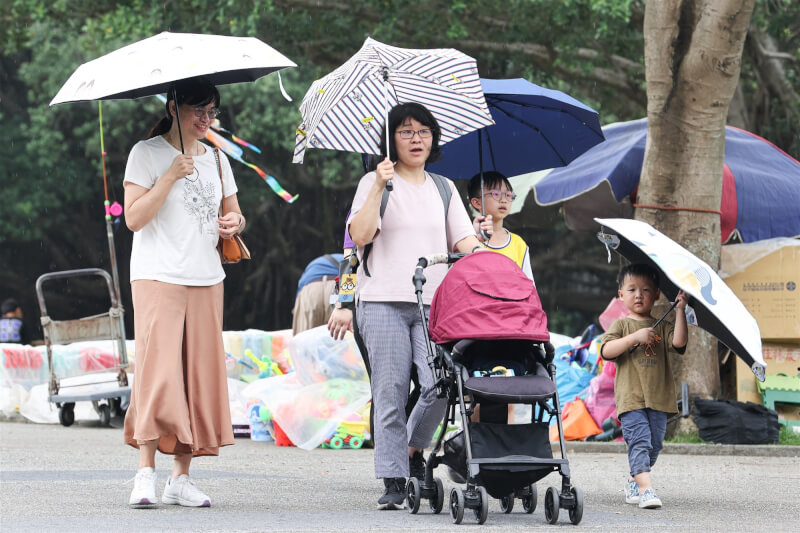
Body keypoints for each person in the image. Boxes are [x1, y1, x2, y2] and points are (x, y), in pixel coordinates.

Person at [348, 102, 486, 510]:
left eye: (423, 131)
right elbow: (360, 234)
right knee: (388, 391)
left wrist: (487, 257)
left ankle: (409, 451)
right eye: (406, 131)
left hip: (433, 304)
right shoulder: (373, 183)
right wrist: (376, 185)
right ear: (391, 138)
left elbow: (462, 239)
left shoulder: (443, 188)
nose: (415, 139)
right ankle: (392, 479)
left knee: (440, 384)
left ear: (433, 139)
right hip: (381, 301)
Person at [122, 77, 241, 508]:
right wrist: (169, 176)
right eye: (199, 111)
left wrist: (234, 224)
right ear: (174, 106)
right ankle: (144, 474)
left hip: (207, 278)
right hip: (158, 275)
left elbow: (233, 212)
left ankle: (181, 478)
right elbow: (134, 218)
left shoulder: (218, 159)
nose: (206, 120)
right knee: (159, 376)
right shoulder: (146, 153)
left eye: (212, 112)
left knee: (196, 377)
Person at [599, 263, 688, 510]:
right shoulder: (621, 326)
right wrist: (634, 338)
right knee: (640, 442)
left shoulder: (662, 325)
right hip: (631, 399)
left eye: (646, 290)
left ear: (657, 294)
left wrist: (680, 310)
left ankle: (633, 479)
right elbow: (606, 351)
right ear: (621, 294)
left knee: (655, 445)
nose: (639, 295)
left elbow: (679, 342)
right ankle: (647, 490)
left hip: (658, 398)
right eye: (632, 289)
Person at [469, 171, 534, 283]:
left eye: (508, 195)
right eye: (495, 194)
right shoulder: (469, 239)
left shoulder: (518, 244)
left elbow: (529, 285)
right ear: (477, 203)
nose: (504, 200)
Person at [292, 253, 343, 335]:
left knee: (305, 340)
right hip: (336, 288)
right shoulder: (355, 257)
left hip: (310, 290)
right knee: (340, 340)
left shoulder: (312, 266)